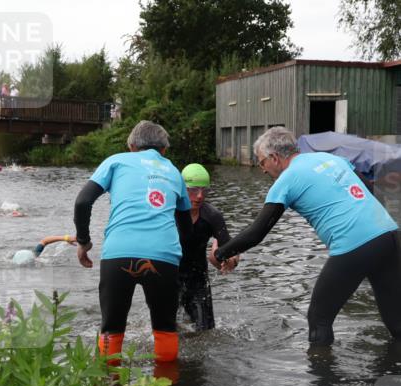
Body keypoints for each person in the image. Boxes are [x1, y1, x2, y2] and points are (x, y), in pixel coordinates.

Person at [213, 126, 401, 345]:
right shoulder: (331, 159)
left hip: (354, 244)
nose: (262, 169)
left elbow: (256, 233)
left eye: (261, 161)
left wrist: (220, 254)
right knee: (396, 320)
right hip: (389, 234)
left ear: (274, 158)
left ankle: (323, 378)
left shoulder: (287, 179)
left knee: (319, 319)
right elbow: (368, 189)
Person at [74, 120, 193, 363]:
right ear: (164, 150)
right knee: (165, 329)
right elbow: (186, 227)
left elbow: (82, 202)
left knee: (111, 328)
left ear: (131, 146)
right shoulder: (173, 171)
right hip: (164, 256)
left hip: (118, 254)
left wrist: (83, 241)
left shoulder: (115, 161)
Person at [178, 163, 239, 331]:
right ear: (181, 188)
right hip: (170, 277)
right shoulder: (168, 211)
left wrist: (226, 259)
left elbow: (231, 250)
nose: (199, 196)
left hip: (198, 278)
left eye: (205, 191)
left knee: (205, 331)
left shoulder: (213, 216)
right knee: (167, 330)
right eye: (193, 190)